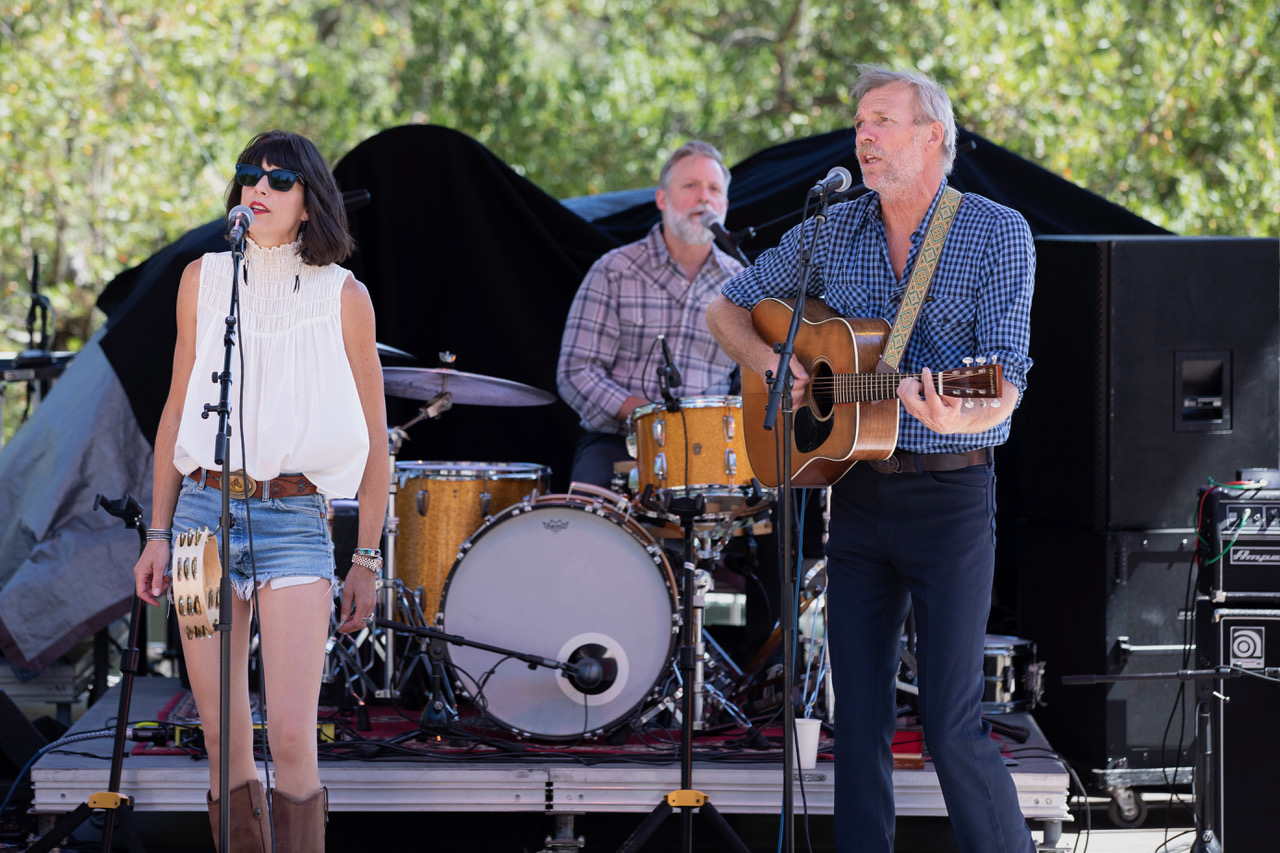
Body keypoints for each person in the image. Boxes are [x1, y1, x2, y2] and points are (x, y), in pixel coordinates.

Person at [706, 66, 1036, 853]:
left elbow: (1007, 380)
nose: (864, 135)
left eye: (882, 120)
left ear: (933, 137)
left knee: (953, 721)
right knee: (856, 718)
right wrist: (771, 363)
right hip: (852, 492)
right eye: (860, 122)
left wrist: (964, 407)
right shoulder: (833, 228)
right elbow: (724, 305)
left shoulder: (995, 231)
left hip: (949, 496)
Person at [132, 130, 388, 852]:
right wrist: (157, 529)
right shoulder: (201, 279)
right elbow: (176, 409)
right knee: (220, 728)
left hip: (295, 517)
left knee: (291, 732)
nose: (260, 189)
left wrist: (366, 554)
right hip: (196, 521)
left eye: (279, 180)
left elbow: (375, 437)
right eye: (250, 175)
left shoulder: (345, 295)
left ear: (309, 203)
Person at [557, 140, 744, 489]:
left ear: (725, 205)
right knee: (588, 519)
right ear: (662, 199)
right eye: (690, 186)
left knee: (779, 515)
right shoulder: (614, 269)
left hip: (713, 447)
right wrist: (649, 415)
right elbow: (575, 371)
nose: (704, 197)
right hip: (619, 440)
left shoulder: (742, 283)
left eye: (714, 189)